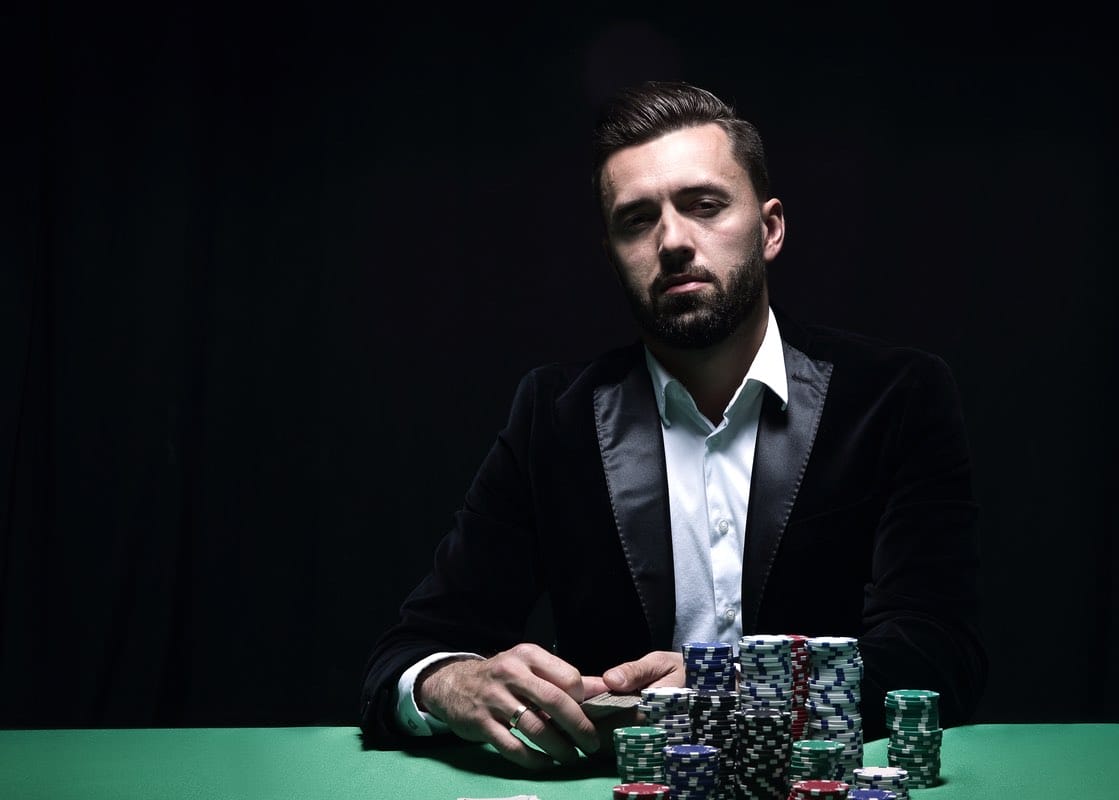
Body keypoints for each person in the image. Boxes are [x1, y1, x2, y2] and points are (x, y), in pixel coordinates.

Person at [359, 80, 988, 768]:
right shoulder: (554, 417)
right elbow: (410, 653)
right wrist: (455, 682)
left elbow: (938, 650)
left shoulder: (895, 396)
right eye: (636, 220)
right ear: (612, 254)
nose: (673, 241)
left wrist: (735, 693)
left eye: (705, 205)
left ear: (770, 227)